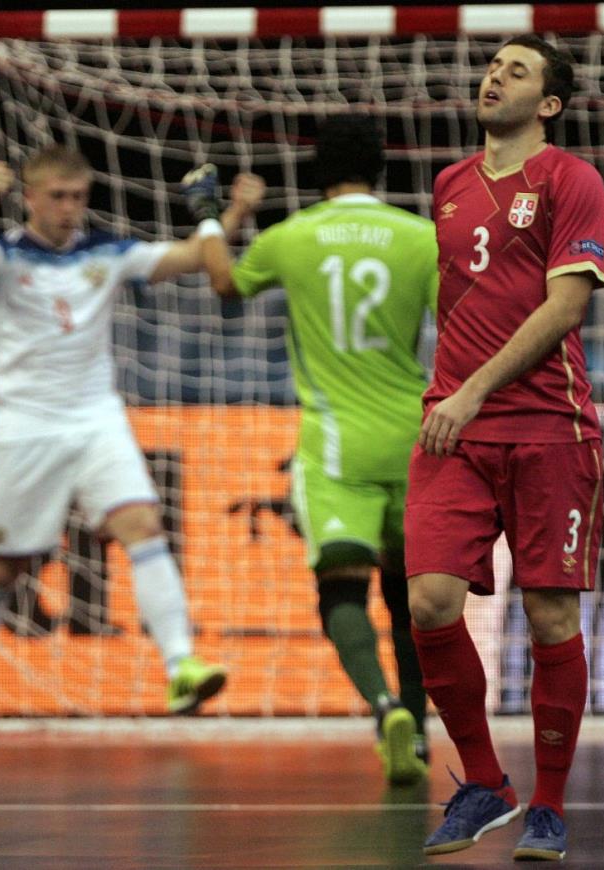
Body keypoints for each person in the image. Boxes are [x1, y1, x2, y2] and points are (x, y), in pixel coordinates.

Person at [0, 145, 260, 749]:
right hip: (27, 427)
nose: (70, 209)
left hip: (95, 418)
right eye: (58, 197)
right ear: (31, 197)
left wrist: (233, 217)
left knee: (142, 523)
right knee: (3, 568)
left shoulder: (106, 252)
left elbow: (192, 257)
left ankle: (180, 667)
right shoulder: (7, 256)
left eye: (78, 197)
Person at [403, 35, 604, 860]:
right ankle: (486, 782)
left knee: (550, 615)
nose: (494, 75)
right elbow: (465, 302)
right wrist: (453, 392)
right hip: (453, 424)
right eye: (492, 65)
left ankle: (549, 806)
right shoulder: (449, 184)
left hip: (548, 426)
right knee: (428, 603)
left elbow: (565, 310)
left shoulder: (572, 180)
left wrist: (473, 388)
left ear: (550, 103)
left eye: (516, 70)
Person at [205, 114, 437, 786]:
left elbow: (223, 281)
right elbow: (458, 326)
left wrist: (225, 214)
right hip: (413, 441)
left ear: (316, 172)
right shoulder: (421, 238)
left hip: (337, 448)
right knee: (407, 600)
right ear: (382, 168)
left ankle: (383, 706)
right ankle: (418, 734)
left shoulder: (291, 238)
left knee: (340, 587)